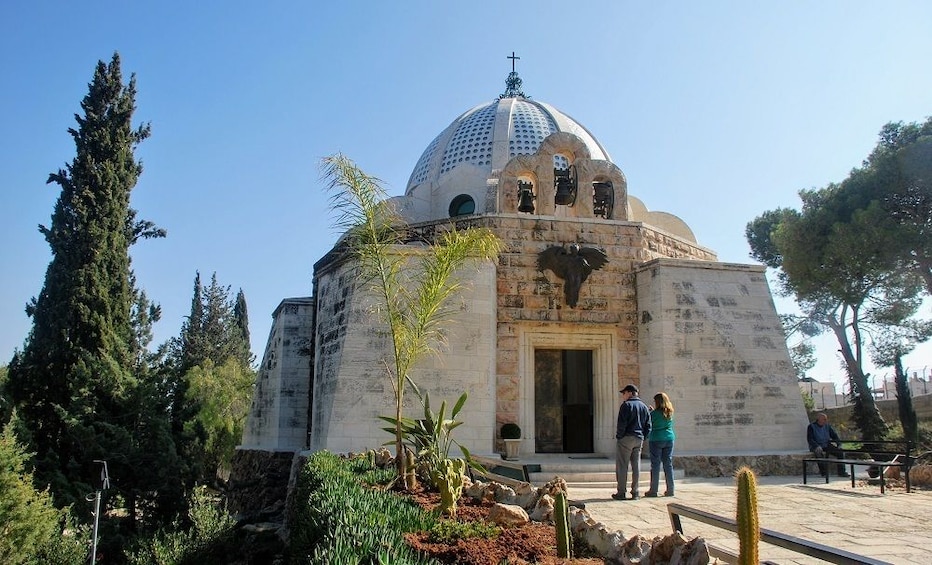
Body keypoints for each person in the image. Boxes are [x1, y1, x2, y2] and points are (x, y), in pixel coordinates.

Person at [613, 384, 651, 500]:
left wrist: (619, 436)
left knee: (622, 465)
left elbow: (622, 424)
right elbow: (648, 425)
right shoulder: (644, 407)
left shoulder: (626, 405)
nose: (623, 396)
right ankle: (635, 492)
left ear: (630, 393)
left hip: (627, 437)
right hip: (639, 438)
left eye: (624, 393)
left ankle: (621, 492)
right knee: (636, 465)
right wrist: (644, 437)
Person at [645, 392, 676, 497]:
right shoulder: (670, 412)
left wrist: (650, 412)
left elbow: (650, 422)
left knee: (655, 465)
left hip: (656, 438)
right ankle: (670, 489)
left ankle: (654, 490)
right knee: (668, 464)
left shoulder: (654, 414)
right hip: (669, 438)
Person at [806, 412, 849, 477]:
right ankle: (824, 473)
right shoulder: (811, 426)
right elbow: (810, 439)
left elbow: (834, 436)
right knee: (818, 453)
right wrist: (816, 446)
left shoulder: (827, 426)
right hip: (816, 445)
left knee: (840, 452)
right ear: (819, 419)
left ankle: (842, 472)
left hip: (826, 444)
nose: (826, 420)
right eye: (824, 419)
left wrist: (839, 444)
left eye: (826, 419)